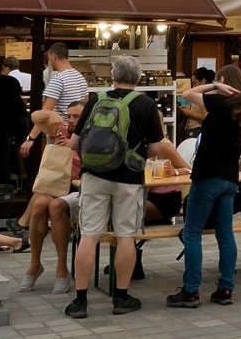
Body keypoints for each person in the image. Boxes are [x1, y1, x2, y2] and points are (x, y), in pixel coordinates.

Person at [66, 55, 188, 319]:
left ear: (112, 75)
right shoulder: (145, 104)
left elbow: (75, 143)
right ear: (139, 77)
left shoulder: (95, 100)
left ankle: (80, 300)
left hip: (94, 176)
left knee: (88, 236)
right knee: (125, 236)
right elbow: (156, 149)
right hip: (129, 179)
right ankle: (121, 296)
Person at [168, 65, 241, 309]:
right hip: (229, 179)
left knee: (192, 232)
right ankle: (226, 288)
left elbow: (187, 94)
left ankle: (191, 290)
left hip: (207, 175)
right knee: (225, 234)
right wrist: (237, 165)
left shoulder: (219, 103)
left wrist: (215, 86)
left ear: (223, 80)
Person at [18, 102, 84, 293]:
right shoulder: (59, 129)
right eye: (69, 116)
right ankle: (35, 263)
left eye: (77, 116)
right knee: (40, 204)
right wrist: (52, 114)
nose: (71, 120)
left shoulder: (90, 133)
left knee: (55, 206)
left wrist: (73, 148)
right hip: (57, 185)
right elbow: (37, 117)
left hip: (79, 186)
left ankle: (62, 267)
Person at [21, 43, 89, 162]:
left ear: (53, 56)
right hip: (75, 136)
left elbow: (45, 113)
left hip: (59, 135)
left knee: (57, 173)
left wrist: (30, 139)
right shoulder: (80, 78)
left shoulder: (58, 80)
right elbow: (85, 107)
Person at [0, 57, 29, 188]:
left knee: (4, 149)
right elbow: (19, 98)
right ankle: (28, 177)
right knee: (24, 146)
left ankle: (5, 180)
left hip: (2, 118)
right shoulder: (12, 80)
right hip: (20, 116)